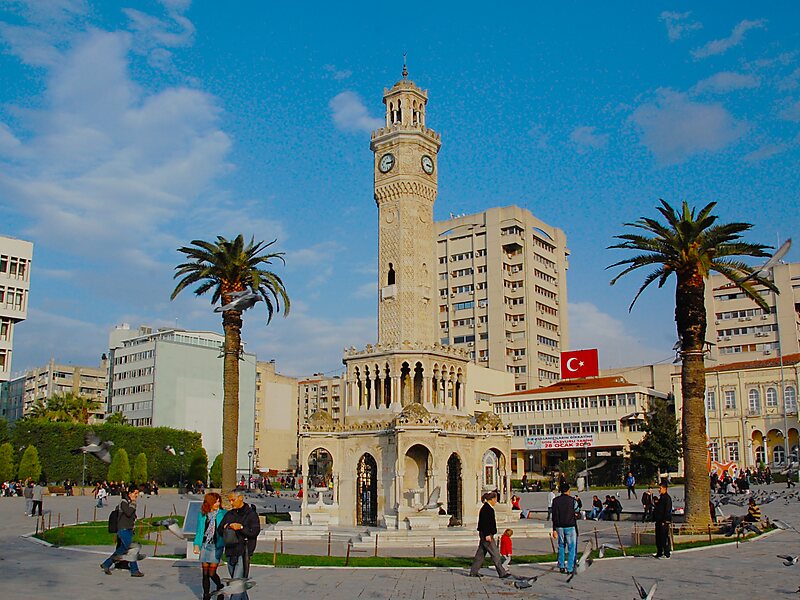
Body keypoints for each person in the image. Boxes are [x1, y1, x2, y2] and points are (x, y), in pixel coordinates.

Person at [101, 488, 144, 576]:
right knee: (132, 549)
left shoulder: (128, 503)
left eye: (137, 493)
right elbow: (128, 513)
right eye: (135, 493)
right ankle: (134, 570)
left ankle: (106, 564)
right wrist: (133, 503)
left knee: (122, 550)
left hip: (128, 529)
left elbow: (131, 516)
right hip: (123, 529)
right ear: (129, 493)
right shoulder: (123, 502)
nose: (136, 495)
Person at [220, 491, 260, 584]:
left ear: (241, 498)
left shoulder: (251, 514)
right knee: (238, 583)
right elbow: (219, 530)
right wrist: (225, 529)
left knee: (236, 583)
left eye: (233, 500)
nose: (231, 503)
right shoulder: (229, 514)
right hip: (230, 551)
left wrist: (241, 527)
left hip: (243, 551)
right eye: (229, 500)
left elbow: (254, 532)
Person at [468, 491, 511, 579]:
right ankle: (502, 573)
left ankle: (474, 571)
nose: (496, 501)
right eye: (495, 499)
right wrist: (488, 534)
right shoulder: (487, 509)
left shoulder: (487, 508)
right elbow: (485, 523)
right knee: (495, 554)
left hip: (485, 534)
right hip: (487, 535)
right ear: (492, 499)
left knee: (480, 554)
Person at [193, 492, 227, 600]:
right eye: (215, 501)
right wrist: (196, 544)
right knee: (205, 573)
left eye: (218, 501)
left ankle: (220, 587)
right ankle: (206, 595)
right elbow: (199, 530)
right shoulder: (203, 514)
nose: (218, 503)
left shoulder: (223, 513)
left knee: (212, 572)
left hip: (216, 546)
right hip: (205, 544)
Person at [552, 482, 578, 574]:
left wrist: (554, 529)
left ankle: (561, 565)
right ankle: (570, 568)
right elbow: (577, 509)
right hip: (570, 525)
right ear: (568, 490)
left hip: (559, 526)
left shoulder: (555, 501)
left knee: (561, 546)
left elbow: (554, 515)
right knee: (571, 547)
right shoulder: (572, 500)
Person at [652, 480, 672, 560]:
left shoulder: (667, 498)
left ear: (664, 488)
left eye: (660, 488)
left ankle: (666, 554)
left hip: (664, 522)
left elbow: (667, 510)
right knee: (658, 538)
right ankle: (659, 552)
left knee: (664, 537)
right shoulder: (661, 498)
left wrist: (665, 521)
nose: (659, 490)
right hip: (658, 521)